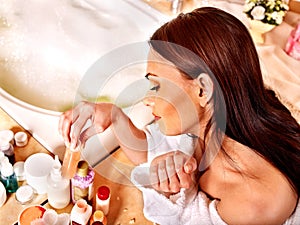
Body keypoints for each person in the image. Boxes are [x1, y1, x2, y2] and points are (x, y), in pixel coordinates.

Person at [59, 7, 300, 225]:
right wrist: (114, 116)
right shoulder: (213, 126)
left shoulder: (254, 204)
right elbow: (150, 151)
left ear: (202, 90)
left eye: (156, 86)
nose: (146, 99)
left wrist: (171, 193)